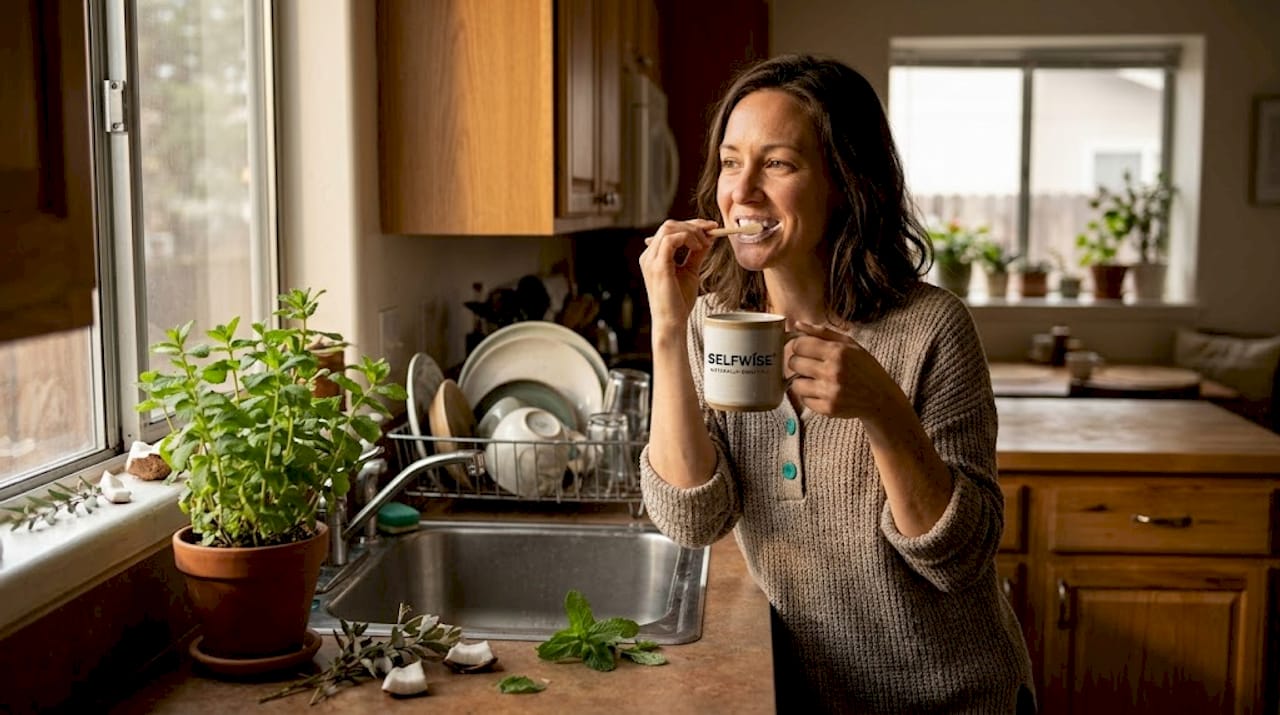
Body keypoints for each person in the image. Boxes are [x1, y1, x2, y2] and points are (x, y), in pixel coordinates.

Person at [637, 54, 1035, 713]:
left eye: (779, 164)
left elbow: (957, 559)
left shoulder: (932, 327)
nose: (743, 191)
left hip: (953, 698)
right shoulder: (714, 324)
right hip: (817, 700)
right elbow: (692, 516)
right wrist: (668, 330)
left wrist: (884, 412)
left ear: (844, 183)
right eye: (732, 162)